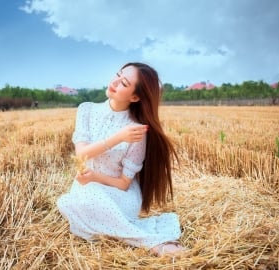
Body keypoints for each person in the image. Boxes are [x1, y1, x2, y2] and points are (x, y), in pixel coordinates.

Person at [57, 62, 185, 256]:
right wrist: (117, 138)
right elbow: (81, 154)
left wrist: (95, 177)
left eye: (124, 83)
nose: (115, 82)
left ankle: (152, 243)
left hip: (120, 195)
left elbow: (124, 183)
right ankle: (137, 235)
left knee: (84, 202)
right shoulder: (86, 110)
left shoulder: (136, 131)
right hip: (87, 187)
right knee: (69, 202)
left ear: (135, 97)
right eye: (118, 74)